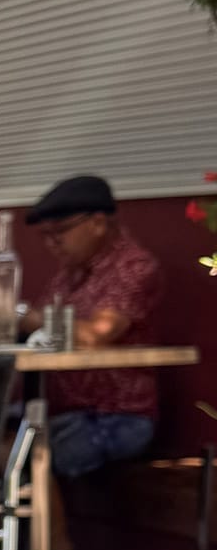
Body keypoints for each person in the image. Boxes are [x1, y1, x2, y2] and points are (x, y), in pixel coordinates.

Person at [24, 175, 164, 480]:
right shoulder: (68, 275)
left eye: (59, 232)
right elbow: (40, 332)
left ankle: (46, 529)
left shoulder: (134, 268)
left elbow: (94, 336)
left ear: (98, 223)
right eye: (45, 236)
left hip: (116, 417)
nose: (52, 244)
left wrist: (25, 315)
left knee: (30, 457)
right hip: (60, 411)